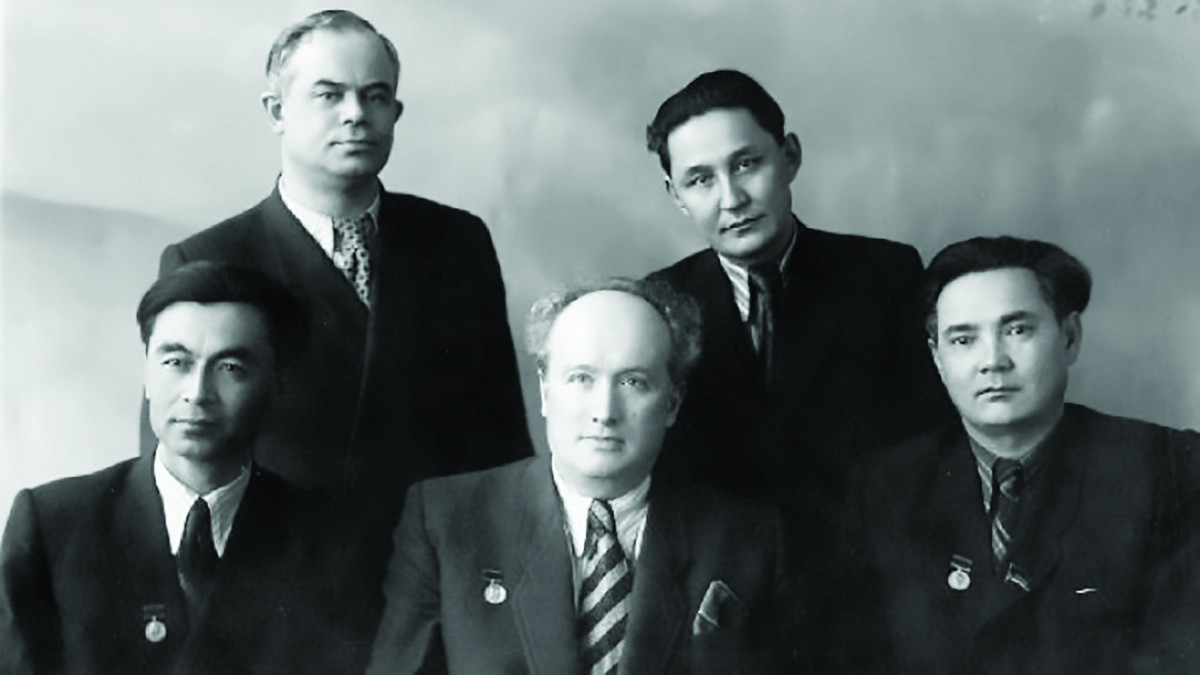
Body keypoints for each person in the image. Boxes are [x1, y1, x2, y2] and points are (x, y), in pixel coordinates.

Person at [144, 9, 531, 634]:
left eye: (375, 97)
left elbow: (502, 440)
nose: (356, 114)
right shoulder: (212, 260)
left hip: (438, 595)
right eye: (329, 95)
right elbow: (176, 467)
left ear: (395, 113)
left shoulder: (456, 243)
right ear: (276, 110)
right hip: (282, 600)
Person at [643, 68, 950, 662]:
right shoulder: (659, 304)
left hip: (871, 605)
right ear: (675, 195)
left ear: (789, 156)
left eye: (746, 164)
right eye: (700, 179)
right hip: (721, 612)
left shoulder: (884, 276)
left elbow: (931, 452)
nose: (731, 199)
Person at [367, 278, 798, 674]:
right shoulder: (445, 520)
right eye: (581, 379)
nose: (604, 412)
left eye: (633, 382)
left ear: (672, 403)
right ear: (545, 391)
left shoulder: (750, 537)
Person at [842, 236, 1200, 673]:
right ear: (937, 359)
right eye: (963, 340)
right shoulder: (884, 488)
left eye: (1017, 331)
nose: (992, 361)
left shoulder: (1169, 469)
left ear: (1069, 337)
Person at [0, 261, 358, 673]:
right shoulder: (53, 524)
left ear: (277, 383)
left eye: (230, 368)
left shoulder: (326, 536)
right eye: (176, 362)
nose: (198, 393)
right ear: (147, 373)